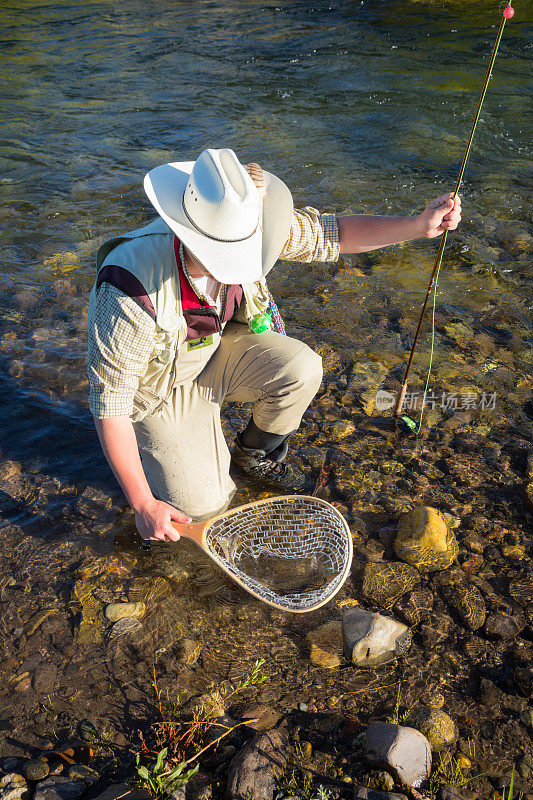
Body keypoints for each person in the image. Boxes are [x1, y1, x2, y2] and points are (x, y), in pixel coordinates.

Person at [87, 148, 461, 545]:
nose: (244, 259)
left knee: (302, 368)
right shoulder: (128, 288)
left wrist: (417, 226)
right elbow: (110, 403)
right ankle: (175, 453)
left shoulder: (249, 225)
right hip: (155, 392)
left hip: (213, 355)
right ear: (187, 233)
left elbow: (333, 234)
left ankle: (252, 456)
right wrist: (143, 504)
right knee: (205, 506)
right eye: (228, 254)